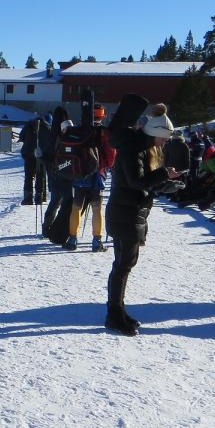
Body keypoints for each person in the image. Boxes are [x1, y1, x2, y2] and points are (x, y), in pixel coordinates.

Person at [104, 101, 184, 336]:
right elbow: (136, 181)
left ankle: (118, 311)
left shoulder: (140, 148)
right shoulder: (133, 149)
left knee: (124, 265)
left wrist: (168, 183)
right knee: (123, 266)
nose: (164, 142)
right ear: (155, 134)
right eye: (163, 138)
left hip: (130, 212)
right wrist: (162, 174)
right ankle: (114, 314)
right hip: (125, 214)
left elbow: (143, 183)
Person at [66, 112, 116, 252]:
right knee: (97, 209)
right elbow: (111, 156)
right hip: (98, 175)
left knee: (76, 208)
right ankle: (96, 241)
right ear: (102, 116)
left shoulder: (78, 129)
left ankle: (72, 239)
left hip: (79, 173)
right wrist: (104, 165)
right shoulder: (104, 132)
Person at [41, 107, 72, 237]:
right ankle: (63, 227)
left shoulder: (52, 136)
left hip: (54, 175)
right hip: (68, 175)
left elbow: (46, 157)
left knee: (54, 202)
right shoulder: (70, 136)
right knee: (67, 202)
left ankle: (47, 227)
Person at [19, 114, 48, 205]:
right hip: (41, 155)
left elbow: (21, 137)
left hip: (28, 154)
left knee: (28, 176)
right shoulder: (47, 127)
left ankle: (28, 198)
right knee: (40, 176)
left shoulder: (28, 126)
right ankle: (39, 197)